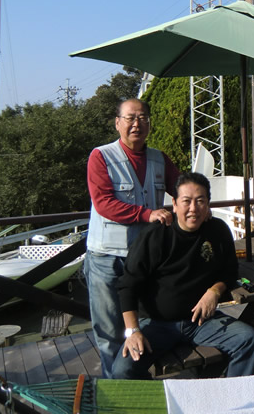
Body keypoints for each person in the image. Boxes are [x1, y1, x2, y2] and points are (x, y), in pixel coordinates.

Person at [113, 172, 254, 379]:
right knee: (122, 370)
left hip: (202, 322)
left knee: (247, 338)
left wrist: (215, 291)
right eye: (186, 201)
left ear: (208, 204)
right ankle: (163, 398)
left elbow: (229, 271)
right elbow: (128, 285)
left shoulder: (217, 230)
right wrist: (133, 331)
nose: (193, 208)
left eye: (200, 201)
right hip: (157, 324)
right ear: (174, 204)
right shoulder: (155, 235)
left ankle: (233, 395)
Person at [85, 98, 180, 378]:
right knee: (109, 331)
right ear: (118, 123)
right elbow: (104, 203)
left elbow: (181, 188)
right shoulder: (101, 156)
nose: (137, 123)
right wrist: (148, 214)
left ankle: (139, 380)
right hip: (107, 258)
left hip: (146, 257)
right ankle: (118, 390)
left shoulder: (159, 159)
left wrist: (197, 203)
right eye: (130, 118)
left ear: (149, 123)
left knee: (148, 323)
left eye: (142, 118)